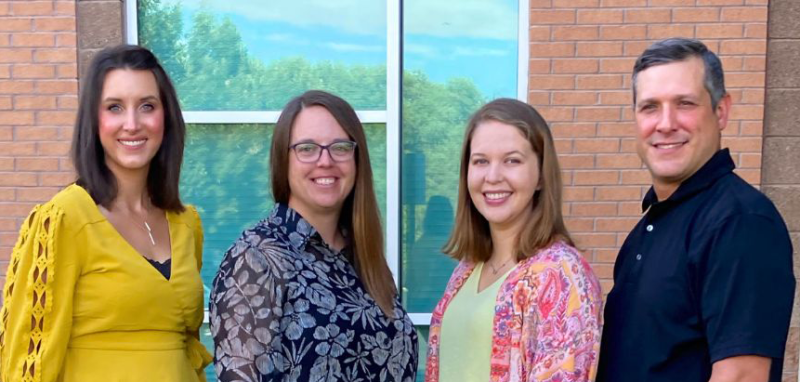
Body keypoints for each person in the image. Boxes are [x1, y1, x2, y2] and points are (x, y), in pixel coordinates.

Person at [0, 45, 211, 381]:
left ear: (166, 117)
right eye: (114, 107)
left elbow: (189, 351)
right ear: (93, 121)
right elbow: (28, 356)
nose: (132, 123)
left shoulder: (186, 224)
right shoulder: (63, 220)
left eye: (147, 106)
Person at [596, 38, 795, 382]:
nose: (666, 123)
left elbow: (742, 376)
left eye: (684, 103)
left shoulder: (739, 223)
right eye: (649, 107)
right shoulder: (653, 226)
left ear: (721, 111)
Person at [209, 90, 418, 381]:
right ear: (284, 160)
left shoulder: (365, 260)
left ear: (357, 159)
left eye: (340, 148)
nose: (325, 161)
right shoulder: (256, 259)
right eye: (307, 148)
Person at [425, 98, 603, 382]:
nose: (493, 176)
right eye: (481, 161)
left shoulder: (560, 274)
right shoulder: (468, 269)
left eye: (512, 161)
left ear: (541, 176)